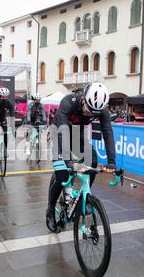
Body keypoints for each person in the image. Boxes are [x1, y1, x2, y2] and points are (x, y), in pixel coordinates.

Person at [46, 83, 116, 233]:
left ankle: (86, 195)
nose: (89, 114)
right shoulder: (68, 102)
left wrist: (112, 161)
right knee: (63, 173)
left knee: (93, 159)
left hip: (77, 135)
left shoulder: (102, 109)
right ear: (83, 98)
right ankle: (50, 210)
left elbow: (107, 132)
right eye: (88, 110)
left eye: (94, 113)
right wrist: (67, 161)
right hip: (60, 132)